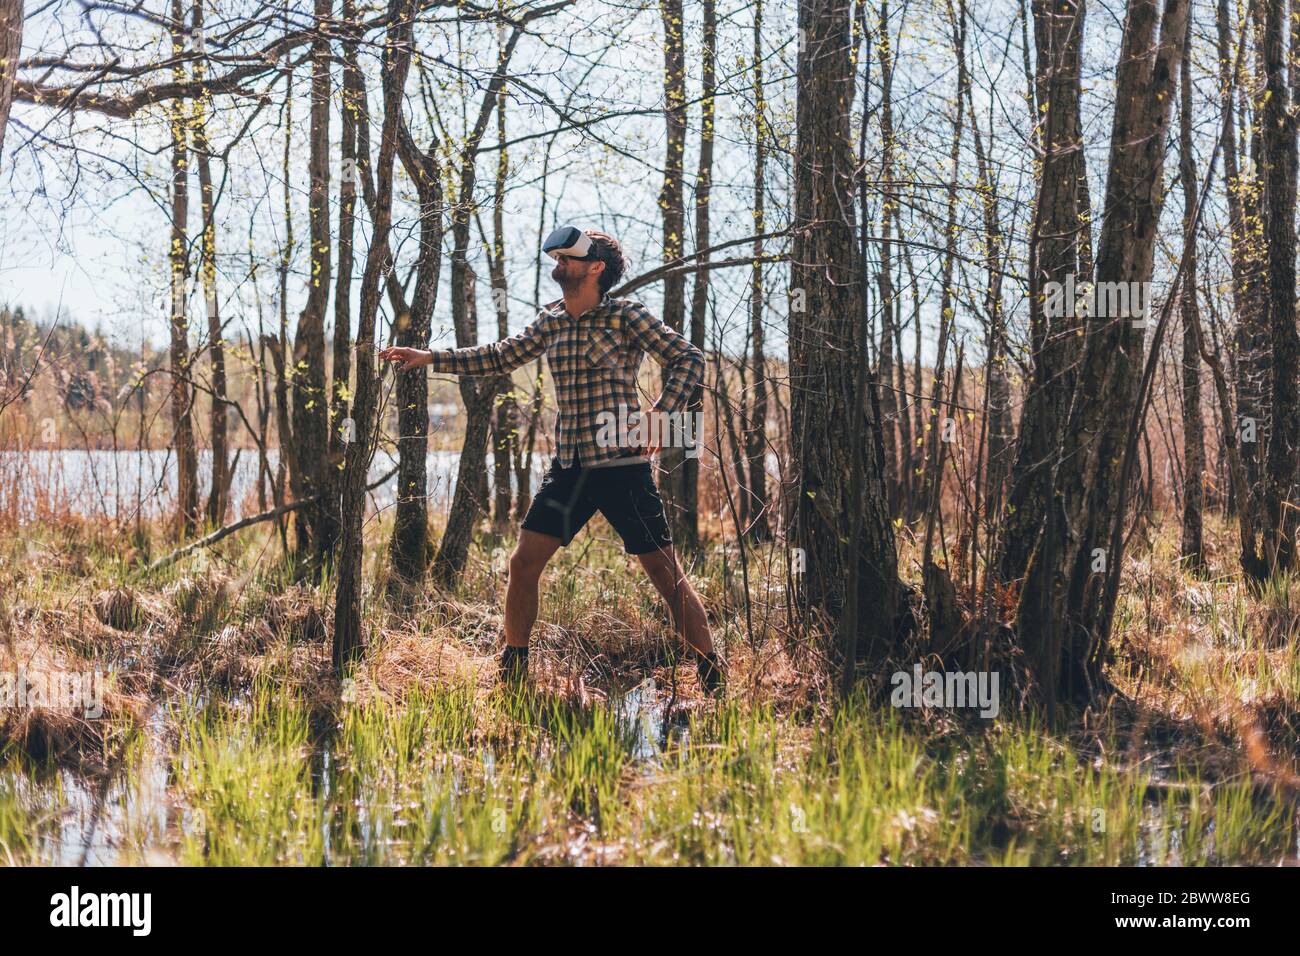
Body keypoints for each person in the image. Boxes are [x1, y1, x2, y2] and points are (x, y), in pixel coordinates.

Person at [379, 227, 723, 694]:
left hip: (623, 469)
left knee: (665, 574)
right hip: (570, 471)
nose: (557, 264)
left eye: (567, 258)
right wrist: (430, 357)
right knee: (523, 563)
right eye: (556, 257)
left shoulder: (626, 316)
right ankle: (515, 665)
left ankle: (711, 671)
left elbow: (689, 358)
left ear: (596, 267)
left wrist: (661, 418)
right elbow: (498, 356)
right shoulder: (551, 321)